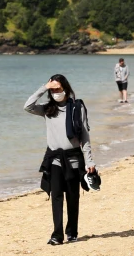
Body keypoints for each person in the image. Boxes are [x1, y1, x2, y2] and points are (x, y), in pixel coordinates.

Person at [25, 75, 96, 245]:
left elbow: (84, 136)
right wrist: (44, 88)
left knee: (73, 197)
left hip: (73, 158)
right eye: (53, 90)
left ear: (66, 88)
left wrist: (90, 161)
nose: (56, 92)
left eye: (58, 88)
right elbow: (28, 106)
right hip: (54, 159)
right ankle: (57, 235)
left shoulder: (77, 108)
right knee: (56, 196)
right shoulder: (48, 109)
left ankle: (72, 232)